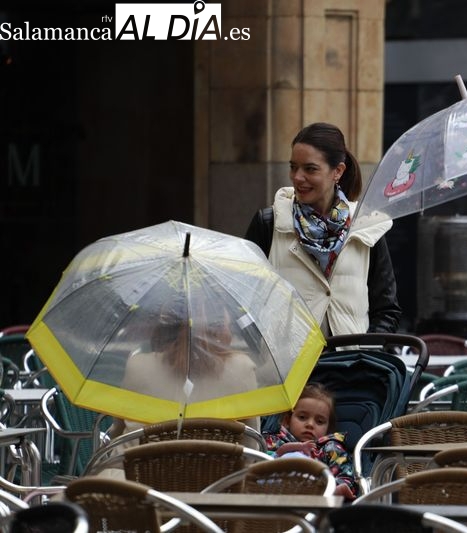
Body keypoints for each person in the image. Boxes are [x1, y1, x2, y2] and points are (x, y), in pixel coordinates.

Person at [244, 122, 402, 336]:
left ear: (337, 171)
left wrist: (368, 353)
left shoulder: (366, 227)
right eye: (293, 167)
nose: (297, 177)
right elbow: (246, 300)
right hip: (290, 368)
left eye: (310, 169)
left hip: (353, 364)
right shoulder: (269, 224)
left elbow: (386, 310)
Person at [111, 298, 260, 438]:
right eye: (228, 326)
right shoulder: (242, 369)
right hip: (225, 466)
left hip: (137, 465)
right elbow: (252, 443)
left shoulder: (137, 366)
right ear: (219, 329)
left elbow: (117, 434)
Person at [263, 382, 357, 500]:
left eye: (319, 421)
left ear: (328, 428)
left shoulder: (330, 448)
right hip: (274, 490)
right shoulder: (274, 440)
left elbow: (347, 476)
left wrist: (335, 487)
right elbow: (260, 460)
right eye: (302, 417)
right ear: (287, 421)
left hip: (313, 494)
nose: (310, 424)